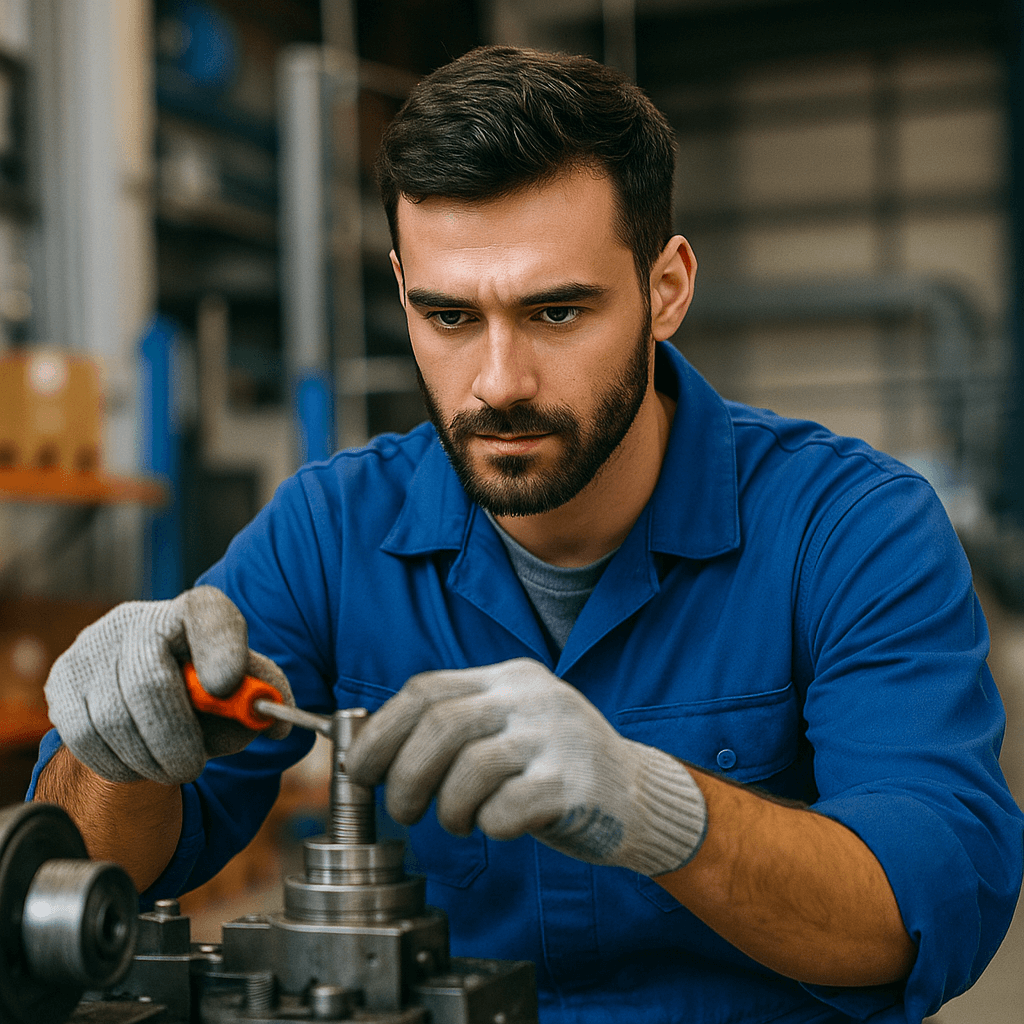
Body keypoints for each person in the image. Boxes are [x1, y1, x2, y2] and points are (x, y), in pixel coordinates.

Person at [31, 45, 1023, 1024]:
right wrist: (116, 742)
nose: (497, 380)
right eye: (449, 315)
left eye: (555, 310)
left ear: (666, 287)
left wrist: (657, 808)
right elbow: (104, 870)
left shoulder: (848, 528)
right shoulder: (333, 529)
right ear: (401, 286)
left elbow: (928, 904)